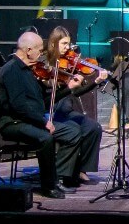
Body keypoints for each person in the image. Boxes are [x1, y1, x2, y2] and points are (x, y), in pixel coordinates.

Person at [0, 31, 102, 198]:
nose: (41, 54)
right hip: (14, 123)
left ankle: (60, 177)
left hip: (29, 120)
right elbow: (19, 106)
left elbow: (44, 101)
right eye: (39, 50)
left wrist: (68, 88)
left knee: (73, 130)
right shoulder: (11, 70)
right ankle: (49, 186)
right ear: (28, 50)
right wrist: (43, 122)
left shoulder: (29, 70)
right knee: (45, 138)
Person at [43, 27, 107, 177]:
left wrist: (96, 82)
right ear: (53, 43)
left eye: (69, 44)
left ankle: (82, 169)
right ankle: (65, 173)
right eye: (64, 44)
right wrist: (67, 87)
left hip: (65, 111)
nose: (68, 48)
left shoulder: (68, 64)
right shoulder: (45, 64)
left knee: (94, 127)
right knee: (75, 129)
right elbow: (50, 98)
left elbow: (76, 93)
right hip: (50, 112)